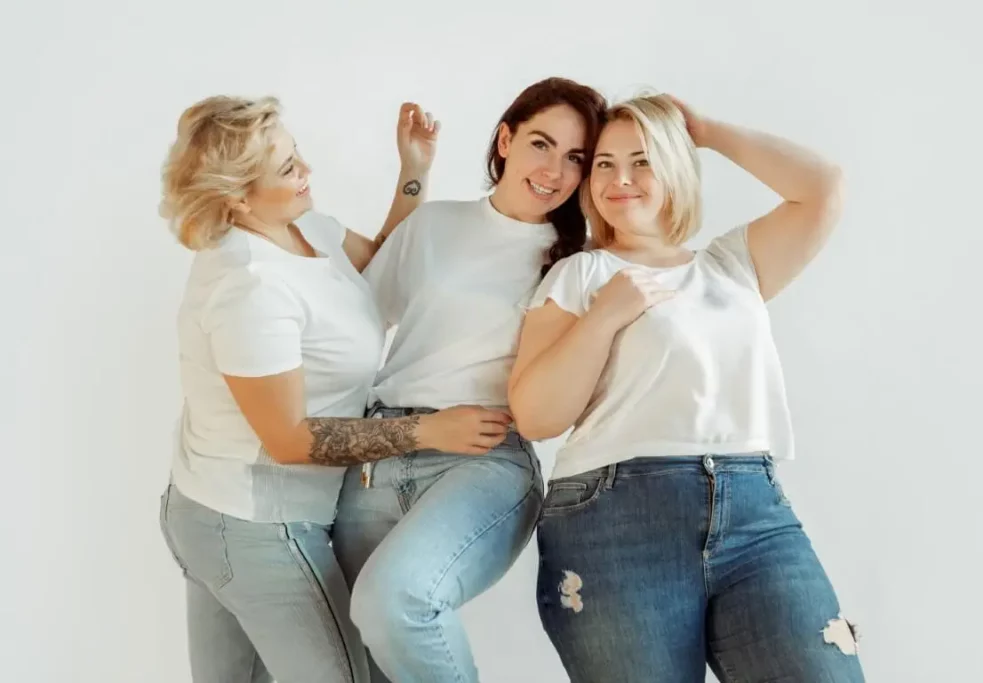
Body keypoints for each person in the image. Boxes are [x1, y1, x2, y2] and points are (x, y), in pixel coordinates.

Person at [509, 94, 865, 682]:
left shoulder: (731, 265)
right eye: (603, 163)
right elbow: (537, 415)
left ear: (676, 166)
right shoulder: (580, 274)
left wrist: (704, 129)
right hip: (615, 518)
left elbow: (824, 186)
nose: (619, 179)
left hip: (754, 513)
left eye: (642, 160)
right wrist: (604, 317)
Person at [157, 95, 510, 683]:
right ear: (236, 197)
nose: (306, 172)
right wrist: (426, 430)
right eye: (288, 169)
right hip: (254, 524)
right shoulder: (249, 287)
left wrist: (413, 171)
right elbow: (289, 440)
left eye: (298, 156)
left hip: (216, 511)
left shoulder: (305, 228)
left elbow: (378, 278)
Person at [330, 77, 607, 683]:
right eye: (541, 143)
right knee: (368, 660)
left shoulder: (578, 262)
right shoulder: (434, 224)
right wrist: (413, 172)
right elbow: (365, 308)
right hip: (379, 452)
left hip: (483, 458)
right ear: (505, 140)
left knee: (394, 601)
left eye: (576, 158)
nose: (555, 170)